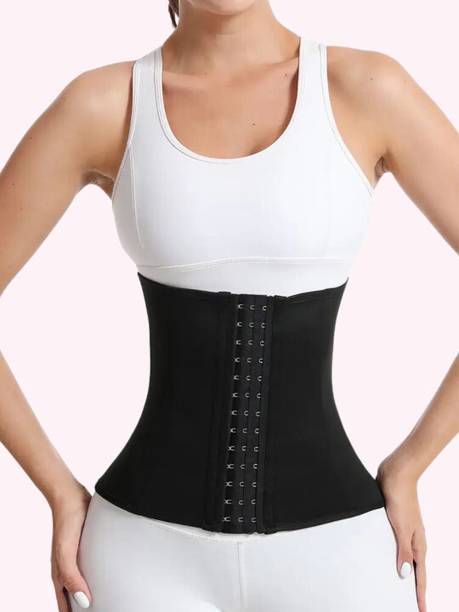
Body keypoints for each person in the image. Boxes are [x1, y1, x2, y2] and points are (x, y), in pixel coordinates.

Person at [1, 1, 458, 611]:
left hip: (339, 552)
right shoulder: (105, 103)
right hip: (141, 556)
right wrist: (58, 491)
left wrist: (411, 464)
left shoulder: (366, 87)